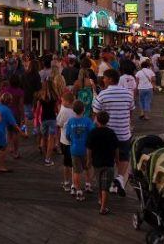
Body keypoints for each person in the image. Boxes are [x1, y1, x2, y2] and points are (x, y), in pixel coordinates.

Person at [92, 68, 133, 196]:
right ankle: (120, 178)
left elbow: (96, 113)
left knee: (108, 160)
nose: (103, 80)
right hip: (124, 132)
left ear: (110, 79)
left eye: (104, 78)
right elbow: (131, 111)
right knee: (124, 156)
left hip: (108, 134)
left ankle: (109, 184)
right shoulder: (128, 94)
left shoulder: (103, 95)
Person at [87, 111, 118, 215]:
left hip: (97, 163)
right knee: (106, 186)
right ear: (107, 120)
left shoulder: (93, 133)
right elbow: (116, 148)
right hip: (109, 163)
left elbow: (89, 149)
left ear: (97, 120)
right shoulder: (111, 132)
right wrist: (117, 160)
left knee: (100, 183)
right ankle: (103, 208)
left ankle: (101, 201)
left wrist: (89, 160)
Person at [65, 100, 94, 201]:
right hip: (86, 149)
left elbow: (67, 135)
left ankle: (78, 191)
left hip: (74, 149)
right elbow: (92, 133)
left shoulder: (70, 121)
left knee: (76, 171)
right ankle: (88, 184)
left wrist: (72, 141)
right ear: (84, 109)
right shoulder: (87, 121)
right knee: (87, 167)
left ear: (73, 110)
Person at [0, 92, 26, 173]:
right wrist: (22, 133)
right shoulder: (7, 110)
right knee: (4, 148)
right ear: (10, 101)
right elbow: (14, 125)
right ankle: (1, 166)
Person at [56, 92, 77, 190]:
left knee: (66, 163)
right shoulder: (75, 110)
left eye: (63, 101)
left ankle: (66, 182)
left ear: (67, 102)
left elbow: (59, 123)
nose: (61, 102)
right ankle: (74, 183)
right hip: (75, 141)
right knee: (74, 164)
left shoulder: (64, 111)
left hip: (65, 140)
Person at [35, 79, 60, 167]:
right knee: (51, 139)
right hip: (52, 118)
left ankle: (45, 155)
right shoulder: (55, 96)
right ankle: (48, 158)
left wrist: (36, 120)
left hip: (43, 119)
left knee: (44, 137)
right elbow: (57, 109)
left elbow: (37, 109)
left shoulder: (40, 96)